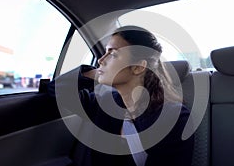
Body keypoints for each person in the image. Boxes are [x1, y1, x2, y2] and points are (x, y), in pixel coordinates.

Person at [49, 26, 194, 166]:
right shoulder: (105, 102)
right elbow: (56, 89)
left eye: (112, 54)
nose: (100, 60)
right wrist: (92, 72)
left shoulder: (172, 117)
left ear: (138, 67)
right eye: (105, 52)